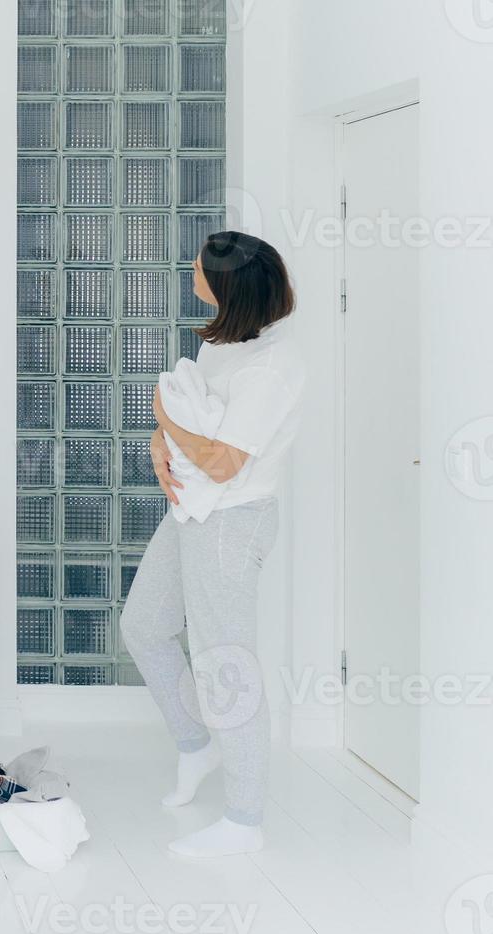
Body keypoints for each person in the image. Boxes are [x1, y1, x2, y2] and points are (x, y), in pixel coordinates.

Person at [120, 231, 306, 858]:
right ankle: (197, 747)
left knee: (227, 662)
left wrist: (166, 421)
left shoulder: (271, 369)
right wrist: (159, 444)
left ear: (228, 290)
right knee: (144, 625)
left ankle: (245, 821)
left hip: (232, 520)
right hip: (192, 511)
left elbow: (224, 462)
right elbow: (188, 418)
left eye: (198, 268)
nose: (190, 270)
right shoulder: (224, 341)